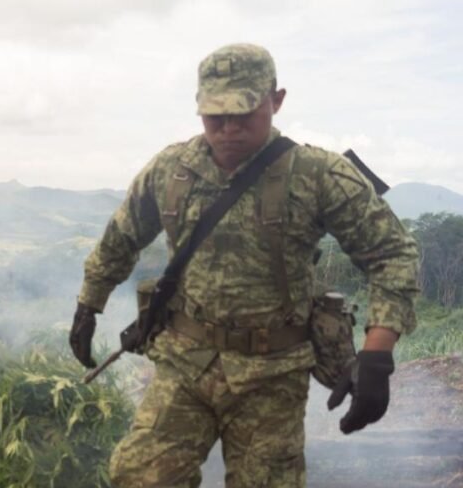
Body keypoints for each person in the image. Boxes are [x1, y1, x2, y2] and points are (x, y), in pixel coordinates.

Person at [68, 43, 418, 487]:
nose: (229, 129)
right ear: (199, 108)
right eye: (216, 116)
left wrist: (377, 356)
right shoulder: (171, 169)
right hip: (185, 363)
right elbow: (121, 237)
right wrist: (89, 304)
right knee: (137, 476)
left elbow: (392, 255)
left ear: (276, 100)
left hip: (271, 376)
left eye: (245, 113)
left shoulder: (318, 175)